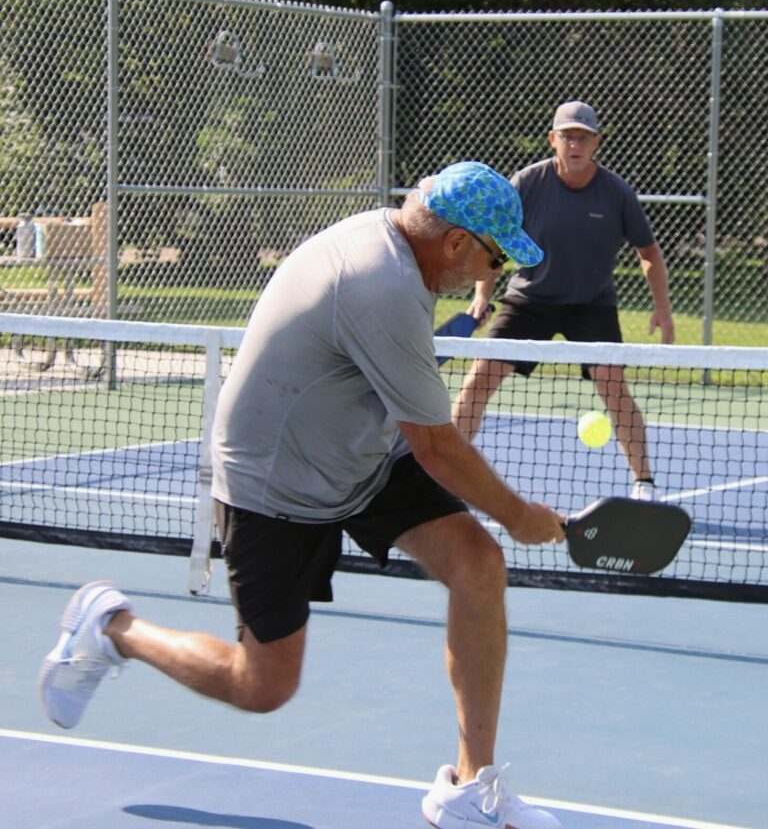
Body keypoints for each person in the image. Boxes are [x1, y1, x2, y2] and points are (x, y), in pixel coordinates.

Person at [39, 161, 566, 829]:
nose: (493, 273)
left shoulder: (405, 250)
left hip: (357, 451)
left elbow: (422, 433)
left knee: (477, 564)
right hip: (274, 481)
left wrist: (501, 520)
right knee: (261, 686)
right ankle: (114, 626)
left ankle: (468, 788)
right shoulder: (382, 285)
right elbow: (437, 447)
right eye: (493, 256)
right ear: (456, 241)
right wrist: (519, 514)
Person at [452, 101, 675, 501]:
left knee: (613, 386)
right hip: (529, 300)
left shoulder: (616, 192)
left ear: (596, 144)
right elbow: (496, 243)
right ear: (553, 139)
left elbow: (649, 253)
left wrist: (663, 310)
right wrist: (481, 295)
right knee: (478, 379)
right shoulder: (526, 183)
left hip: (592, 305)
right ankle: (445, 477)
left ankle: (644, 484)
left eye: (584, 137)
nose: (576, 144)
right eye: (568, 136)